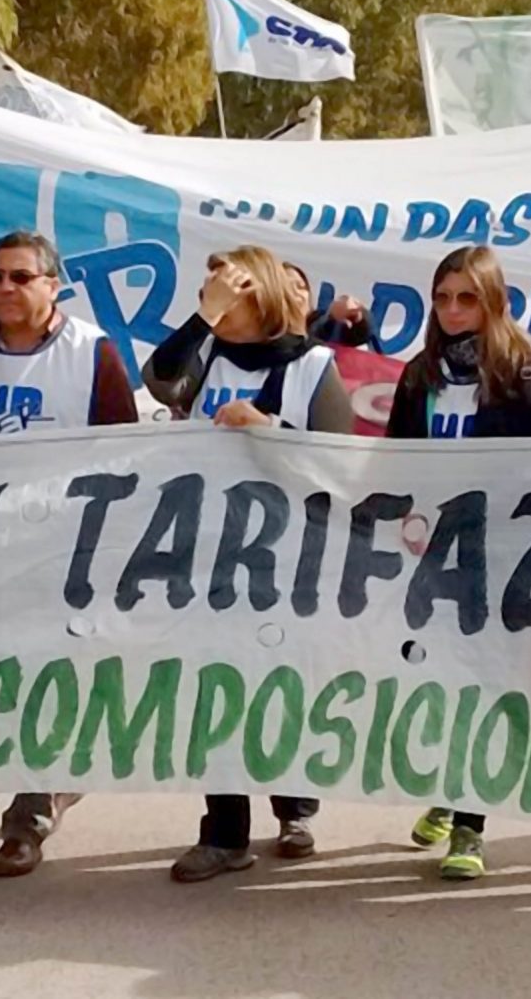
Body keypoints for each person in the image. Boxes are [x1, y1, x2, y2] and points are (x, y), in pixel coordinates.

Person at [0, 231, 139, 877]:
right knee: (3, 675)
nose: (5, 289)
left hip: (69, 545)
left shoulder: (91, 353)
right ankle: (50, 784)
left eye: (20, 277)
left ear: (53, 284)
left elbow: (123, 455)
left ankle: (30, 812)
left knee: (53, 671)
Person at [144, 245, 349, 882]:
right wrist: (203, 321)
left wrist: (269, 425)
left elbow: (339, 460)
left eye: (225, 289)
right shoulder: (206, 356)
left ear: (256, 292)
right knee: (213, 690)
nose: (214, 297)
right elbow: (159, 379)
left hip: (285, 556)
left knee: (281, 684)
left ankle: (294, 802)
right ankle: (225, 831)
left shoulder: (314, 365)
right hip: (207, 550)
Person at [386, 245, 531, 883]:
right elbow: (397, 460)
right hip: (434, 555)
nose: (454, 310)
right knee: (437, 680)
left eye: (467, 297)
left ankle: (471, 822)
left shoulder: (526, 371)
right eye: (443, 297)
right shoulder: (419, 373)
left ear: (493, 299)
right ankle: (449, 784)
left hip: (501, 556)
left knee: (486, 683)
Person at [284, 261, 378, 352]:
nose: (297, 294)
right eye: (287, 289)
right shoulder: (272, 344)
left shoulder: (319, 324)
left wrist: (356, 317)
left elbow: (358, 333)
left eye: (301, 287)